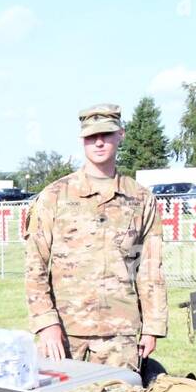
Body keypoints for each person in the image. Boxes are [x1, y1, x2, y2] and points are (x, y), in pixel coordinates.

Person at [24, 104, 167, 371]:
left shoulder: (141, 199)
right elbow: (35, 265)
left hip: (119, 333)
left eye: (106, 134)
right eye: (91, 137)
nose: (99, 142)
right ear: (82, 140)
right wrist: (46, 323)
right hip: (64, 331)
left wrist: (152, 326)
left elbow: (150, 268)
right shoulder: (56, 195)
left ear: (120, 135)